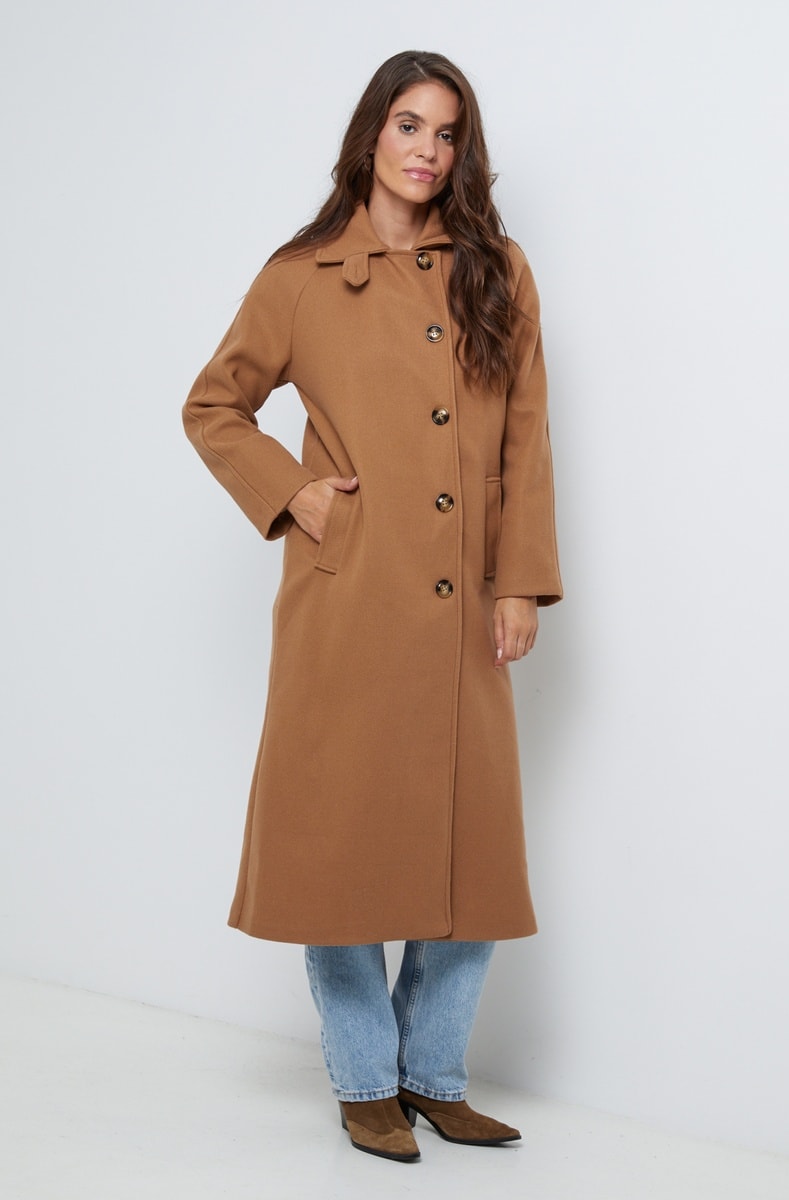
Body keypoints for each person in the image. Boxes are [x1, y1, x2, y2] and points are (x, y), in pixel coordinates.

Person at [182, 49, 563, 1163]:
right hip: (347, 603)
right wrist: (293, 492)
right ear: (370, 134)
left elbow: (527, 436)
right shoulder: (301, 276)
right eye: (408, 125)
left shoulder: (497, 270)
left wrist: (518, 580)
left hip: (465, 610)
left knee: (472, 853)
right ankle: (365, 1082)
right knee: (336, 845)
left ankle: (432, 1075)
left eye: (447, 134)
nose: (426, 151)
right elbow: (214, 405)